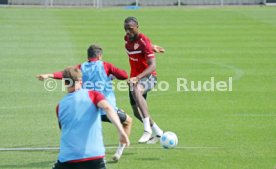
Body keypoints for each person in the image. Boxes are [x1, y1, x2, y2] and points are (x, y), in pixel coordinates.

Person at [37, 44, 132, 161]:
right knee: (128, 121)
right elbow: (124, 75)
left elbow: (65, 74)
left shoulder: (80, 67)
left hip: (87, 109)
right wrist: (112, 75)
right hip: (105, 109)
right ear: (100, 55)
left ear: (88, 56)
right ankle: (119, 151)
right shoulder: (106, 66)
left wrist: (49, 75)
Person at [52, 67, 129, 169]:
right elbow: (107, 107)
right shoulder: (93, 95)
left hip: (68, 159)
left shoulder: (60, 106)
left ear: (65, 83)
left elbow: (63, 129)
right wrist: (121, 132)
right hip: (94, 156)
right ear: (81, 81)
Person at [124, 16, 165, 144]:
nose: (128, 32)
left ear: (137, 27)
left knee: (137, 90)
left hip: (149, 77)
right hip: (135, 78)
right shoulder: (127, 39)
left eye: (130, 29)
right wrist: (152, 47)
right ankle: (159, 132)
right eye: (125, 29)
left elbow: (152, 65)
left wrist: (137, 77)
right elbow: (140, 46)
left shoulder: (144, 40)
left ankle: (147, 130)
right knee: (137, 112)